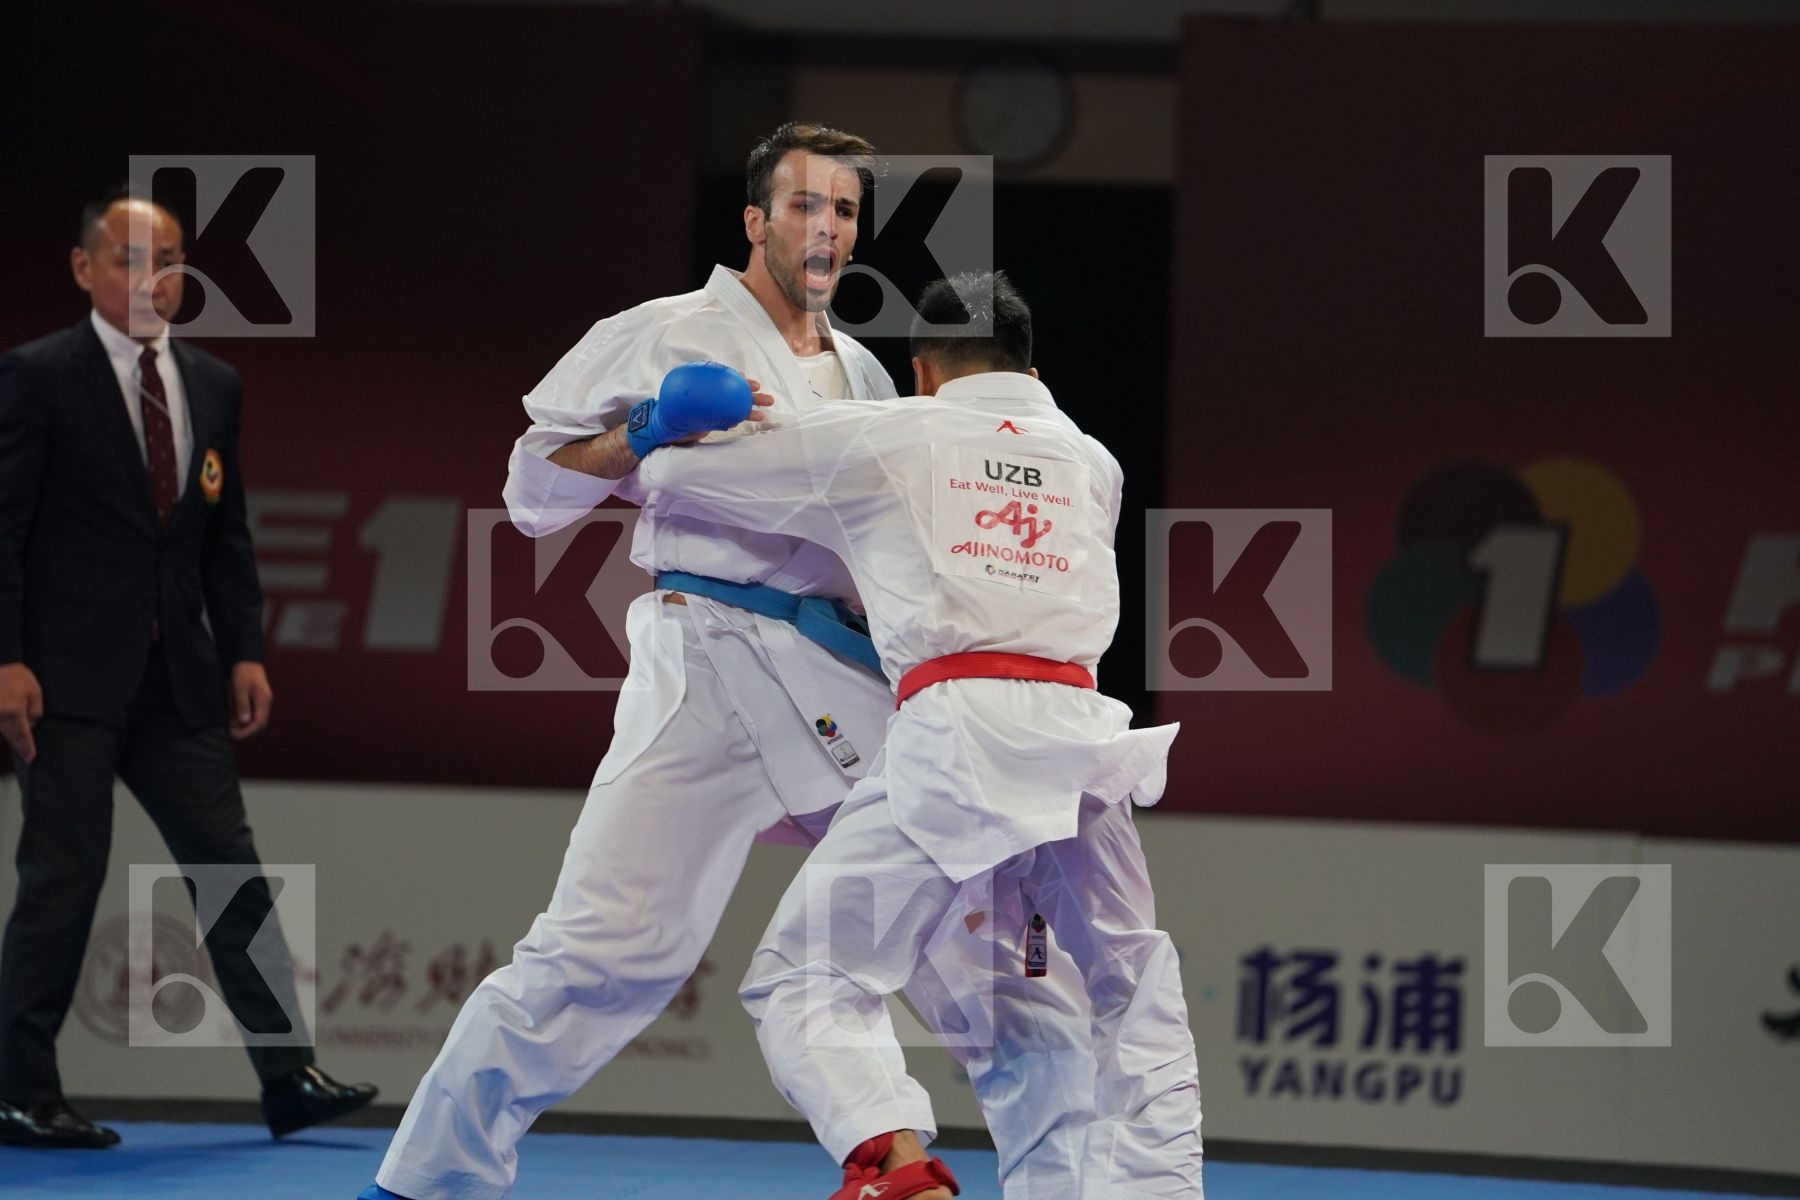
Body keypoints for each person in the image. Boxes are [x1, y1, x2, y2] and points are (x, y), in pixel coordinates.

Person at [361, 124, 1095, 1200]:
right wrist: (647, 429)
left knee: (960, 928)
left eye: (845, 211)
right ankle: (429, 1179)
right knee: (607, 954)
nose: (828, 230)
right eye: (806, 207)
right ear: (756, 220)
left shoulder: (866, 376)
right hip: (701, 665)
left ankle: (984, 1171)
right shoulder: (659, 331)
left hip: (839, 671)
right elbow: (531, 493)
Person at [630, 273, 1206, 1200]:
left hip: (958, 741)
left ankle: (896, 1175)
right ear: (1032, 367)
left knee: (802, 976)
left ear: (923, 371)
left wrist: (676, 422)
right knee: (1127, 985)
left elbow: (674, 479)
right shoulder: (1094, 460)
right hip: (1083, 746)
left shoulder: (892, 432)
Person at [0, 192, 376, 1148]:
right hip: (67, 678)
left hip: (181, 680)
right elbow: (2, 535)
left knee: (231, 871)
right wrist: (7, 658)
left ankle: (288, 1075)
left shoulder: (213, 383)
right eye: (126, 258)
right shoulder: (37, 377)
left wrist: (245, 648)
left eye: (165, 259)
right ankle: (19, 1088)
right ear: (85, 269)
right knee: (64, 877)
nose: (150, 277)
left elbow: (226, 535)